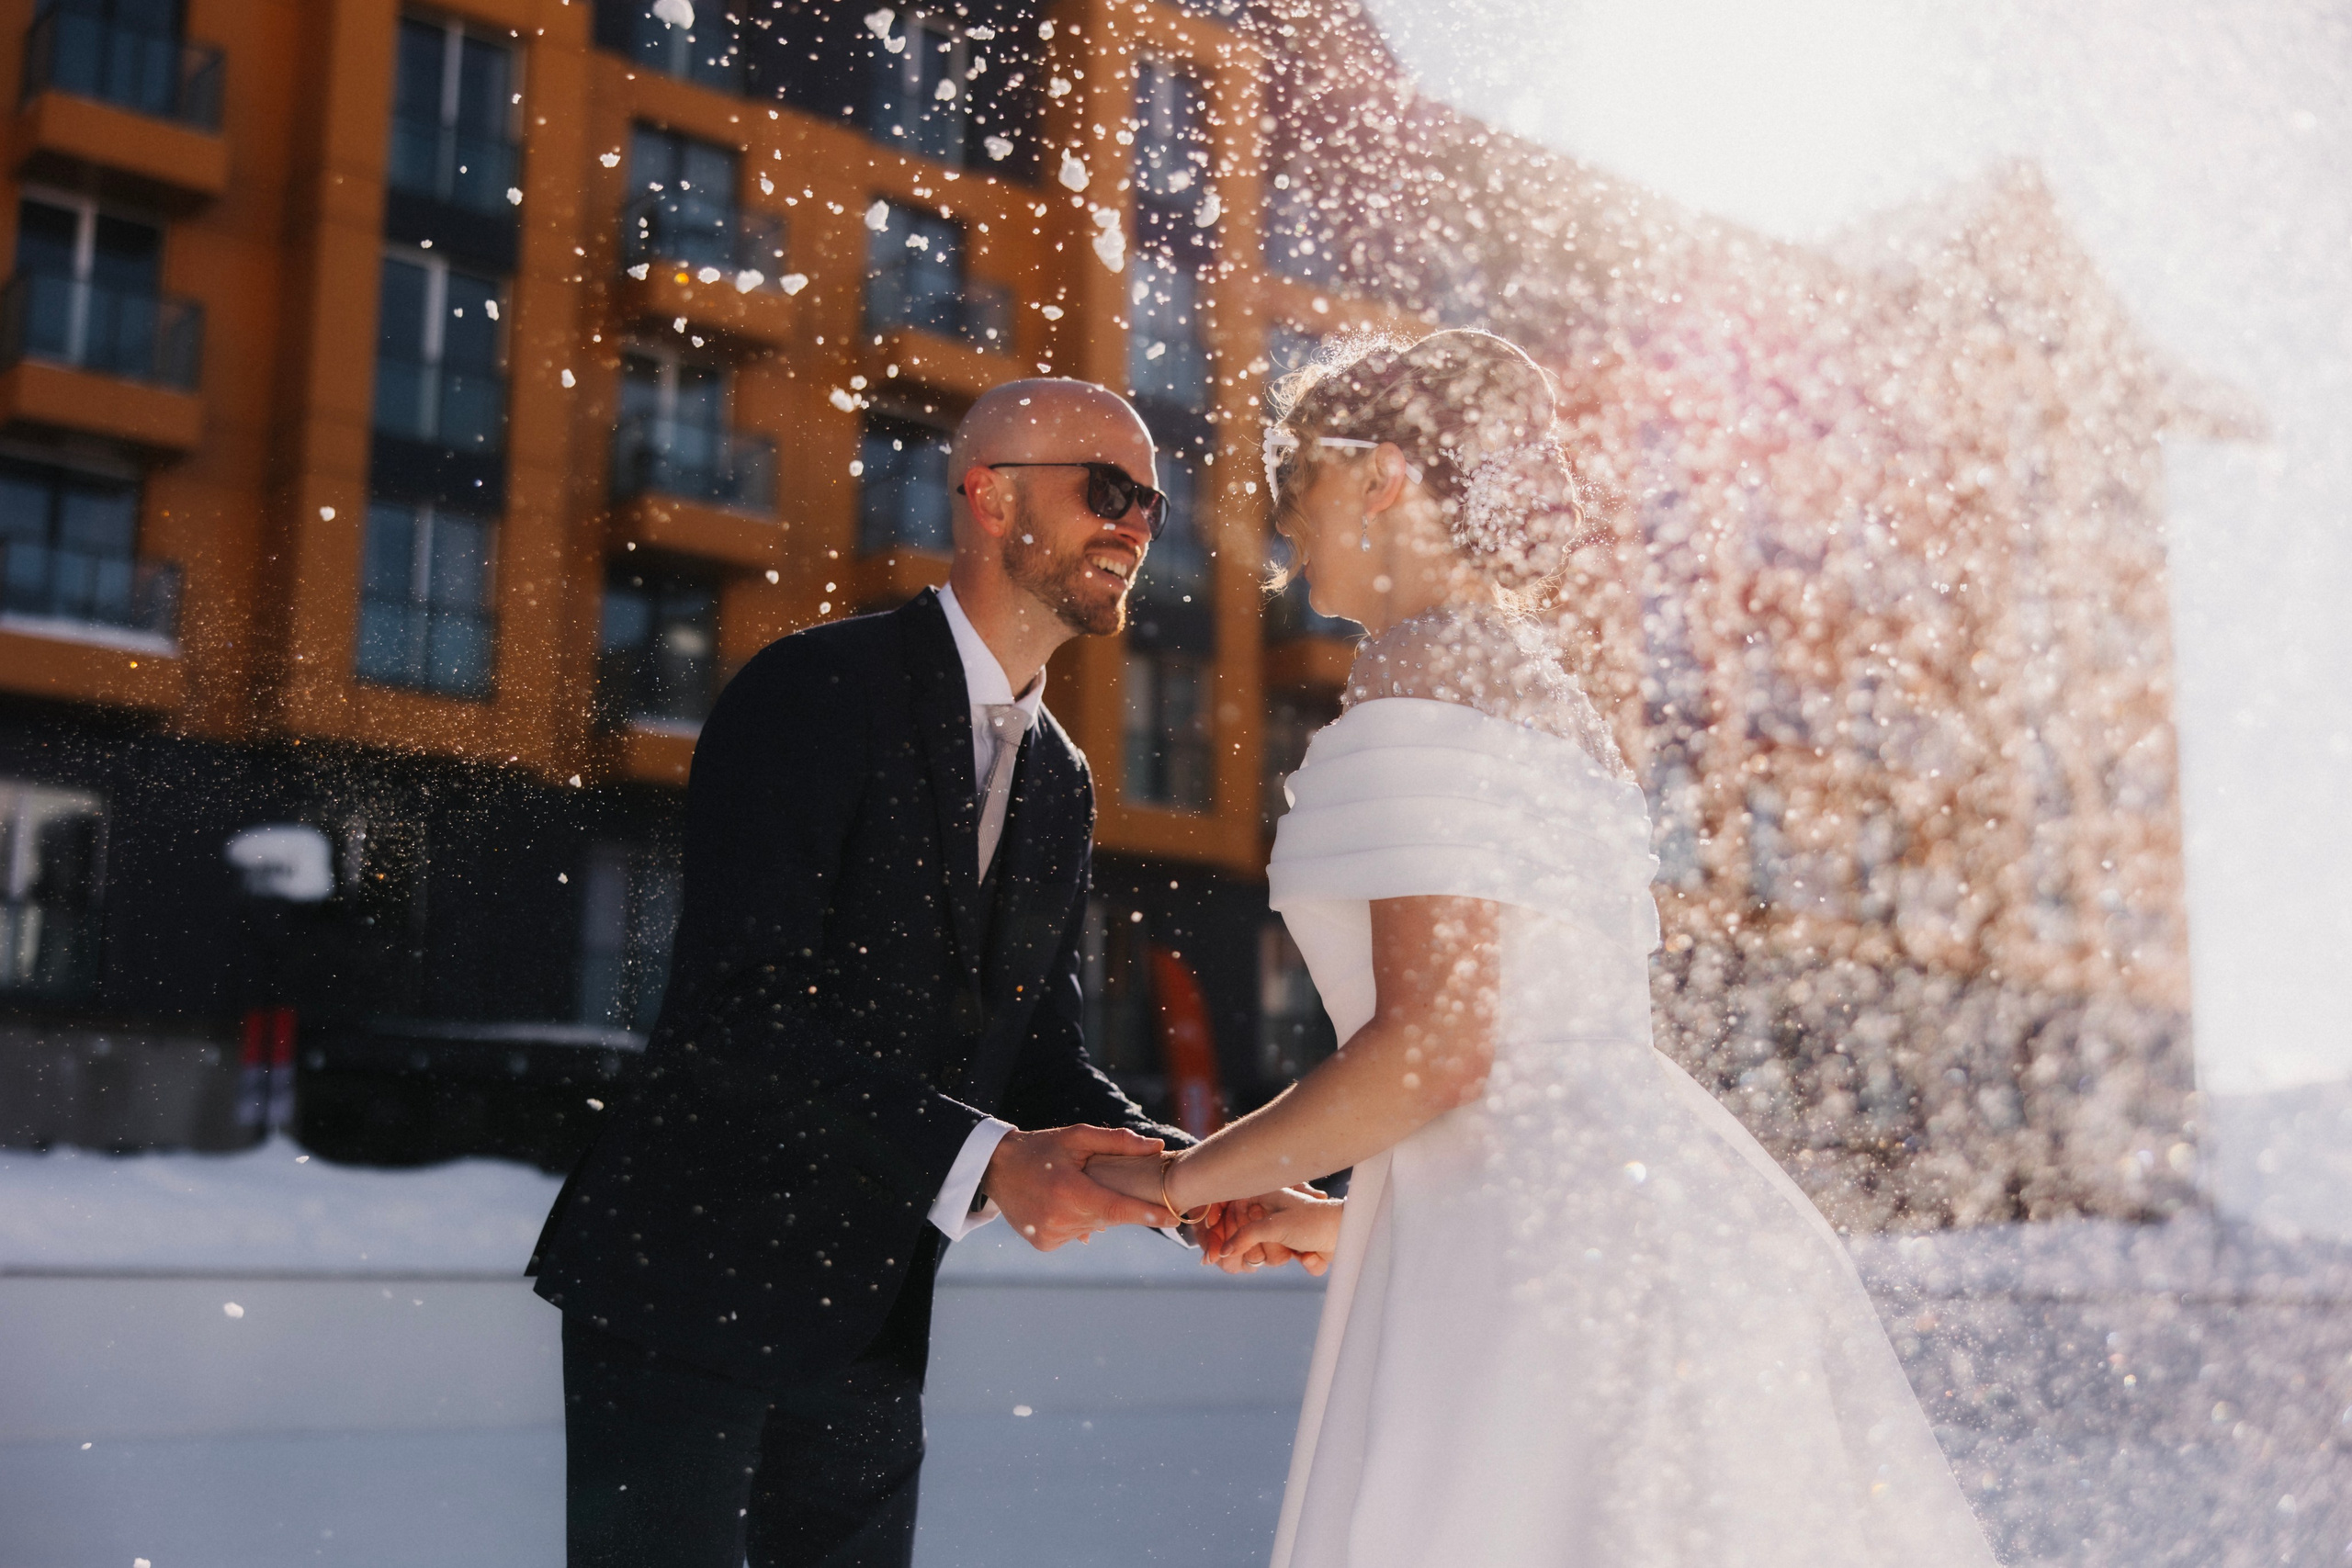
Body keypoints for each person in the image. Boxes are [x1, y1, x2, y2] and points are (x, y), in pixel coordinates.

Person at [1096, 330, 2002, 1568]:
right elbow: (1533, 1050)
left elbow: (1440, 1047)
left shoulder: (1415, 661)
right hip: (1638, 1219)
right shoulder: (1543, 687)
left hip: (1543, 1270)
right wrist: (1337, 1222)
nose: (1284, 536)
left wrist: (1175, 1181)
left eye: (1296, 492)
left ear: (1384, 478)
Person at [530, 378, 1250, 1568]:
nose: (1135, 524)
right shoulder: (813, 691)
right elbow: (738, 1015)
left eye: (1154, 506)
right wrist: (994, 1165)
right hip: (684, 1288)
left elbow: (1036, 1050)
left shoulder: (1062, 777)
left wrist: (1191, 1185)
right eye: (1108, 490)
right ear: (987, 496)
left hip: (865, 1308)